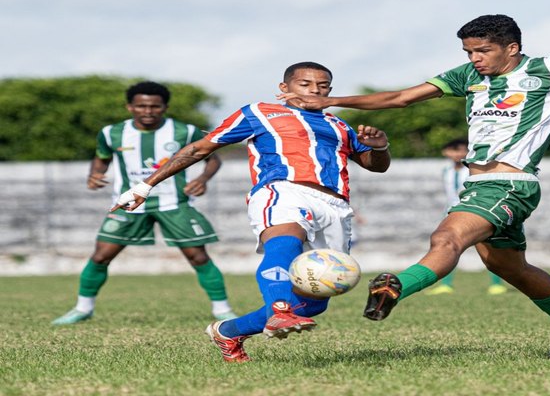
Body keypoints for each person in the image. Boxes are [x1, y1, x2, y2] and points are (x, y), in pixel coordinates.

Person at [279, 15, 550, 358]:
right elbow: (402, 97)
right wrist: (331, 101)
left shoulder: (549, 70)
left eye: (483, 51)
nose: (475, 59)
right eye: (468, 52)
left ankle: (395, 288)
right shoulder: (468, 76)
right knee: (509, 267)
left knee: (447, 238)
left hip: (510, 183)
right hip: (479, 184)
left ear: (512, 48)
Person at [110, 62, 391, 362]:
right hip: (283, 189)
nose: (314, 90)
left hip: (335, 206)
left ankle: (229, 331)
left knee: (314, 303)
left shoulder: (338, 125)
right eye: (305, 84)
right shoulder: (259, 112)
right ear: (285, 88)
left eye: (322, 86)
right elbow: (200, 148)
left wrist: (379, 147)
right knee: (285, 241)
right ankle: (279, 309)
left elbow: (377, 166)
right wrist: (145, 186)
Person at [52, 81, 237, 325]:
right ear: (130, 107)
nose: (148, 111)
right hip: (129, 204)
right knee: (100, 256)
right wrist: (94, 175)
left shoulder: (185, 131)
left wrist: (203, 179)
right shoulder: (111, 133)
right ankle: (82, 308)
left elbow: (212, 159)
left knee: (198, 256)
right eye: (141, 106)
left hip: (174, 202)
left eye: (154, 106)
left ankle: (222, 310)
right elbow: (102, 158)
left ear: (165, 107)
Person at [426, 138, 508, 296]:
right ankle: (446, 284)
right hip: (452, 212)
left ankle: (497, 284)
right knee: (447, 249)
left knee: (490, 249)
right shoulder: (446, 171)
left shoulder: (473, 169)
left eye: (462, 150)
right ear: (446, 152)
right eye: (454, 150)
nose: (458, 154)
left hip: (475, 212)